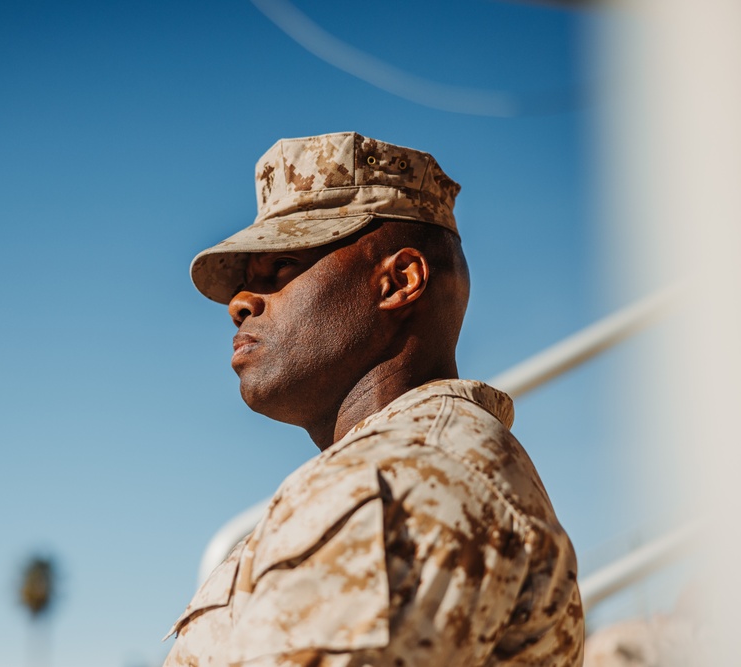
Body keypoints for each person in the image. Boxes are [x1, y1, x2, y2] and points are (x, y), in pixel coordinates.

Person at [164, 132, 584, 666]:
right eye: (248, 282)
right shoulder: (395, 467)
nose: (241, 304)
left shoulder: (406, 476)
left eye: (284, 267)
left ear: (399, 281)